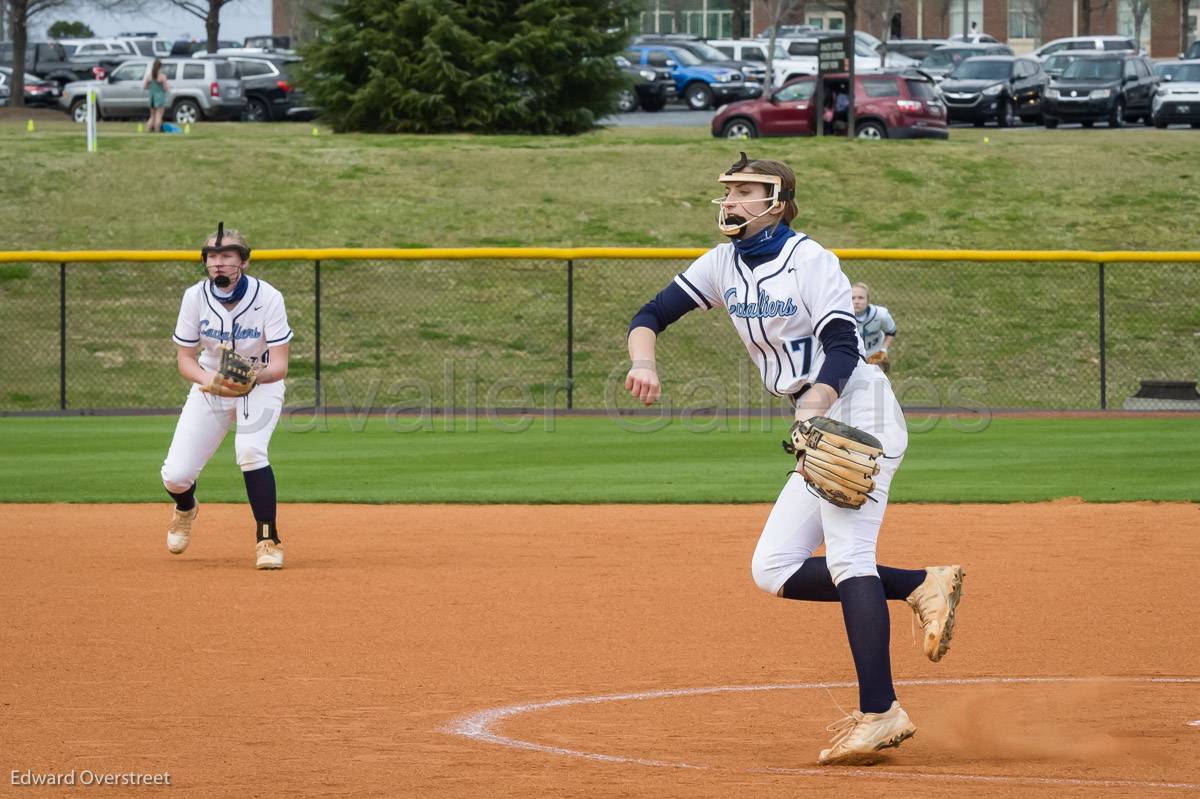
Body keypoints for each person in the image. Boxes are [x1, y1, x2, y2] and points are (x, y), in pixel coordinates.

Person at [625, 153, 964, 765]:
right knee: (774, 568)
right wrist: (643, 362)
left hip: (857, 413)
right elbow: (650, 315)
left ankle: (880, 711)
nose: (730, 202)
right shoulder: (722, 264)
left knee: (849, 557)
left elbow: (842, 346)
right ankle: (920, 583)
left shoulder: (810, 260)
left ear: (776, 201)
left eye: (744, 192)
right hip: (816, 422)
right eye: (727, 192)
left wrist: (815, 405)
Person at [161, 224, 293, 570]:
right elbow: (185, 361)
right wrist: (213, 381)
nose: (218, 263)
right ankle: (186, 506)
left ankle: (268, 540)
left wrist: (251, 378)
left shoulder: (269, 298)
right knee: (175, 475)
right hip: (211, 386)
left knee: (250, 450)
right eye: (212, 257)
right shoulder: (194, 297)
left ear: (243, 262)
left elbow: (279, 365)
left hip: (259, 384)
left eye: (226, 256)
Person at [851, 283, 896, 373]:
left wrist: (883, 350)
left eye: (861, 298)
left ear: (868, 300)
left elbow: (891, 332)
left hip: (874, 353)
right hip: (853, 354)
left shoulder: (881, 315)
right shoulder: (843, 316)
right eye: (853, 298)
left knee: (876, 382)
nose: (856, 301)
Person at [142, 58, 170, 132]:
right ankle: (157, 131)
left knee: (152, 116)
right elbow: (166, 88)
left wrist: (151, 87)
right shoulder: (162, 76)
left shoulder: (149, 76)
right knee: (158, 116)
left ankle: (148, 130)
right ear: (160, 67)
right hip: (160, 98)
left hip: (152, 97)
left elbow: (145, 87)